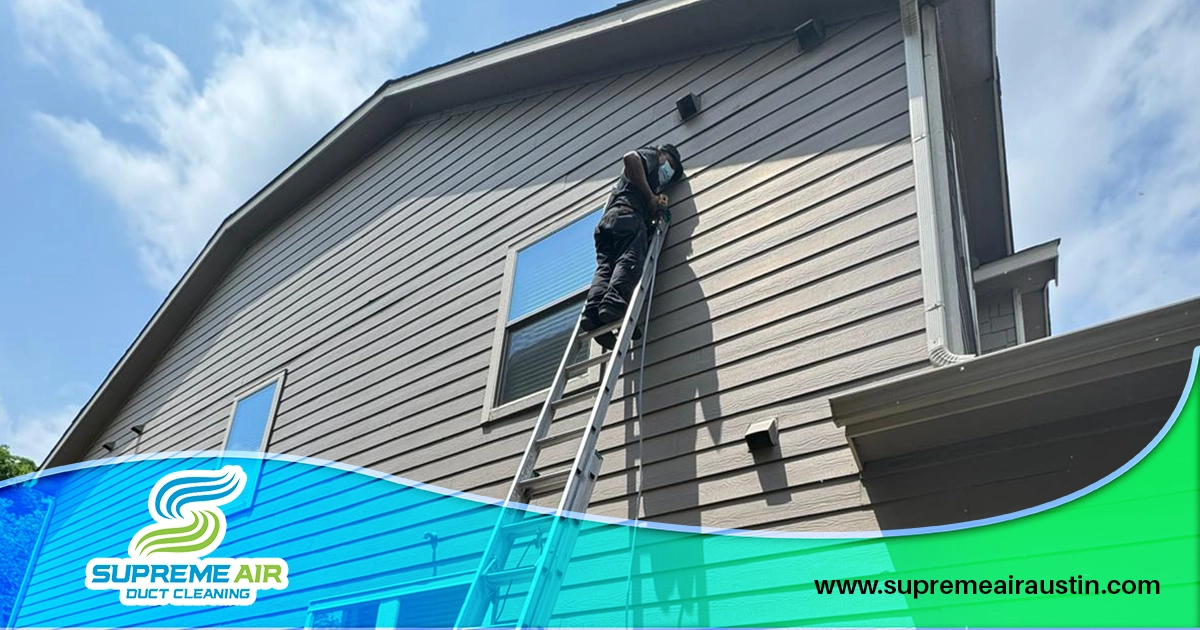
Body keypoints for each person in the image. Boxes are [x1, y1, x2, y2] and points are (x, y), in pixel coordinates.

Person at [583, 144, 684, 350]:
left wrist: (653, 212)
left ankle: (593, 315)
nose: (668, 172)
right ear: (662, 153)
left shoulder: (645, 183)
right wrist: (650, 198)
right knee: (630, 259)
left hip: (609, 222)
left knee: (606, 268)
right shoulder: (651, 157)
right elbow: (630, 158)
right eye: (670, 164)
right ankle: (614, 306)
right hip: (627, 216)